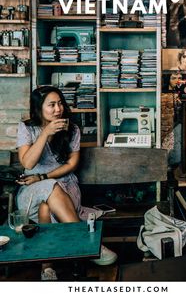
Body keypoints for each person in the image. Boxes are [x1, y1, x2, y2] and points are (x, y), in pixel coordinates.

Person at [16, 86, 117, 280]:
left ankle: (47, 267)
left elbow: (72, 163)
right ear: (38, 109)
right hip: (31, 190)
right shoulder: (27, 128)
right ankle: (88, 244)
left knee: (46, 207)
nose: (58, 109)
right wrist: (45, 133)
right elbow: (28, 163)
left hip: (65, 185)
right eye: (51, 105)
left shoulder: (72, 129)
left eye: (60, 103)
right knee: (48, 191)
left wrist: (44, 177)